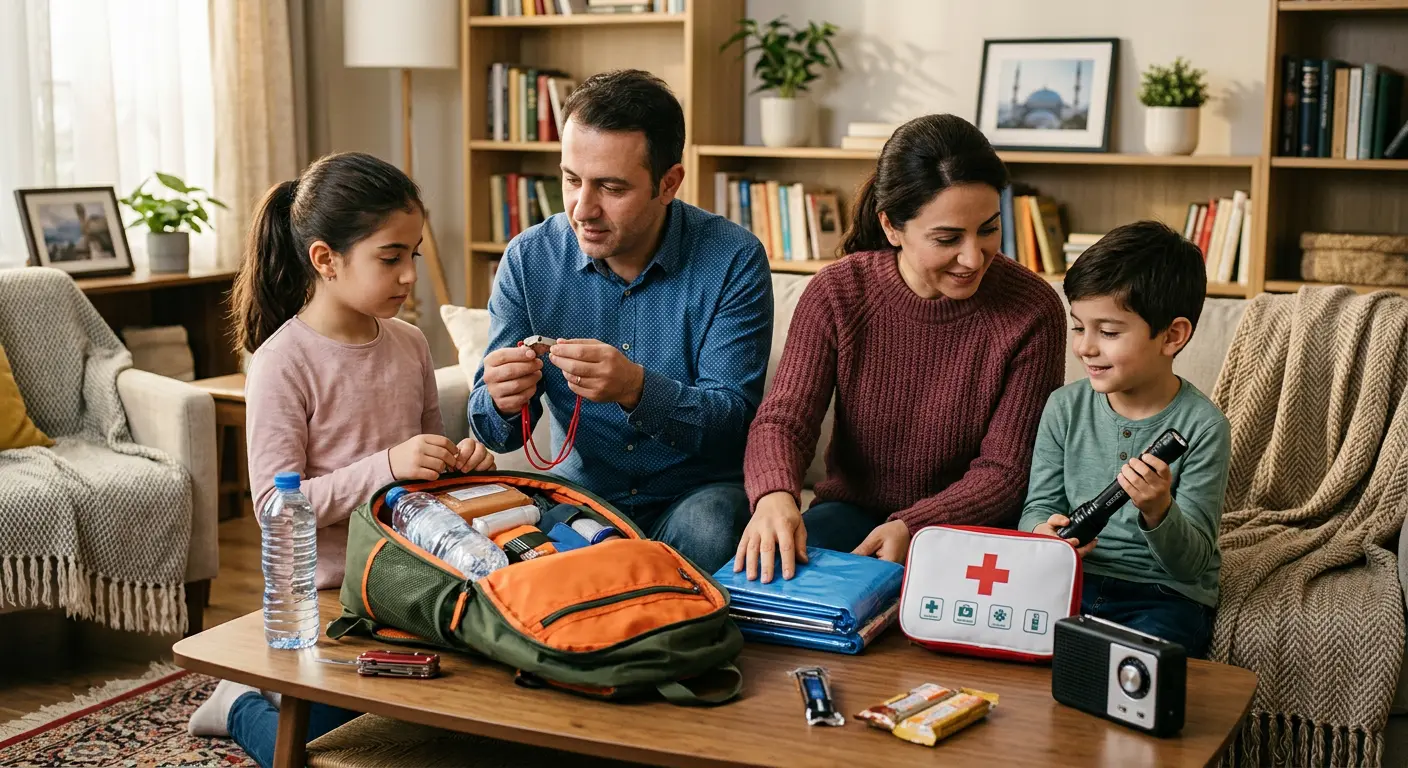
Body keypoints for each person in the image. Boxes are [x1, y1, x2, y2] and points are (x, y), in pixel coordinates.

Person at [186, 151, 496, 767]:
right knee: (309, 751)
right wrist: (389, 465)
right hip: (330, 598)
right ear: (325, 260)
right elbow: (277, 507)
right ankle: (242, 704)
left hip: (410, 579)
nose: (411, 275)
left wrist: (459, 463)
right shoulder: (282, 362)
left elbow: (423, 473)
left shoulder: (408, 344)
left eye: (412, 254)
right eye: (390, 258)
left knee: (477, 713)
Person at [736, 113, 1066, 582]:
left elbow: (1006, 470)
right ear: (891, 226)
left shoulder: (1033, 310)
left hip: (969, 531)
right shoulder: (838, 293)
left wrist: (915, 525)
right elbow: (784, 419)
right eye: (947, 238)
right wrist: (774, 498)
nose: (973, 258)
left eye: (989, 229)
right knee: (762, 581)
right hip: (852, 516)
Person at [468, 69, 773, 575]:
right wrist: (499, 400)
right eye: (571, 180)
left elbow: (733, 422)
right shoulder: (529, 259)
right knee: (505, 541)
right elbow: (492, 435)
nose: (582, 208)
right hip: (584, 496)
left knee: (714, 527)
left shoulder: (733, 259)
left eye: (610, 187)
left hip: (696, 495)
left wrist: (636, 388)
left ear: (668, 183)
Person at [1020, 220, 1231, 659]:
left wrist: (1159, 510)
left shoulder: (1204, 427)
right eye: (1079, 327)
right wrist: (1043, 531)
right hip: (1074, 579)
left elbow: (1190, 564)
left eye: (1109, 332)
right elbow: (1038, 506)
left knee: (1142, 670)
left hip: (1161, 595)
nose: (1085, 348)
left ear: (1172, 336)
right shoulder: (1063, 408)